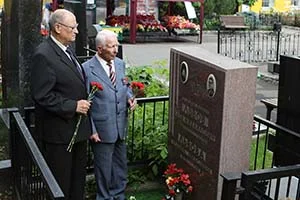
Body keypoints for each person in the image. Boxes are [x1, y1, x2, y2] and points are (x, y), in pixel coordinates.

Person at [30, 9, 91, 200]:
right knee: (61, 186)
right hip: (59, 135)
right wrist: (73, 106)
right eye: (73, 27)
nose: (77, 31)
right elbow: (42, 95)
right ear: (58, 28)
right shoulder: (44, 55)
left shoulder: (66, 50)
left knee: (77, 184)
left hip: (77, 131)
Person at [83, 30, 137, 200]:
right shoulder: (86, 69)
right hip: (101, 130)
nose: (115, 49)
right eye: (111, 46)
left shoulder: (119, 64)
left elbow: (124, 85)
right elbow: (85, 102)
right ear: (99, 49)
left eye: (116, 45)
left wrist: (129, 97)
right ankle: (104, 197)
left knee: (120, 167)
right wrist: (91, 130)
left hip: (120, 125)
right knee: (104, 170)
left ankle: (118, 195)